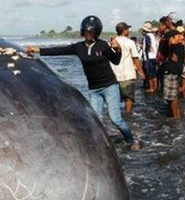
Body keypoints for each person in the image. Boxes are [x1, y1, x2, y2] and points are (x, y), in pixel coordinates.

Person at [25, 15, 141, 150]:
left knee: (116, 119)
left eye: (92, 32)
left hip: (110, 87)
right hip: (94, 90)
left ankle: (131, 139)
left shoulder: (103, 45)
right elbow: (59, 50)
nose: (89, 34)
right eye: (87, 32)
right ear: (83, 32)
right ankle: (101, 146)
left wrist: (118, 49)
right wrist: (37, 50)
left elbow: (116, 60)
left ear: (96, 32)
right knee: (96, 121)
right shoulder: (78, 47)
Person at [111, 22, 146, 114]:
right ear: (124, 31)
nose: (129, 31)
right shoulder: (130, 42)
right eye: (127, 29)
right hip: (128, 74)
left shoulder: (112, 42)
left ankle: (116, 115)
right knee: (128, 98)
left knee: (115, 99)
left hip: (114, 74)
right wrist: (141, 72)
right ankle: (128, 115)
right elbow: (135, 58)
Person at [161, 26, 185, 118]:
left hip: (171, 70)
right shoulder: (180, 43)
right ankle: (176, 114)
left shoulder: (171, 36)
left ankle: (175, 116)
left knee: (171, 96)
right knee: (173, 94)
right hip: (176, 69)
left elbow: (171, 42)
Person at [141, 22, 159, 93]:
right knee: (153, 73)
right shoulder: (152, 35)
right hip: (154, 57)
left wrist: (147, 52)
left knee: (149, 73)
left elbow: (148, 45)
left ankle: (151, 88)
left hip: (149, 57)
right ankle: (155, 87)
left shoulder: (147, 36)